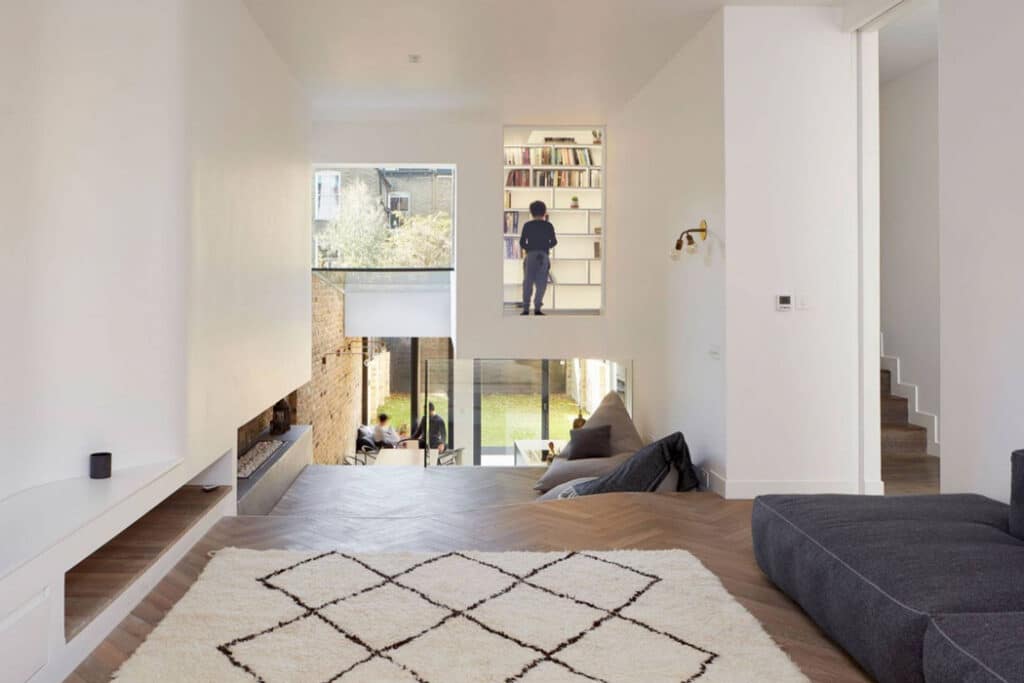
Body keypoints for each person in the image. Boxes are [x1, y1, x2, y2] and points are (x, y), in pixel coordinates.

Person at [519, 200, 557, 315]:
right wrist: (545, 246)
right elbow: (554, 242)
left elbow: (521, 243)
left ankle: (525, 308)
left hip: (530, 255)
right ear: (544, 212)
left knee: (527, 282)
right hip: (543, 256)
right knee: (541, 283)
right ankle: (537, 308)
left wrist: (529, 248)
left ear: (531, 212)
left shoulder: (527, 225)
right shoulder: (548, 225)